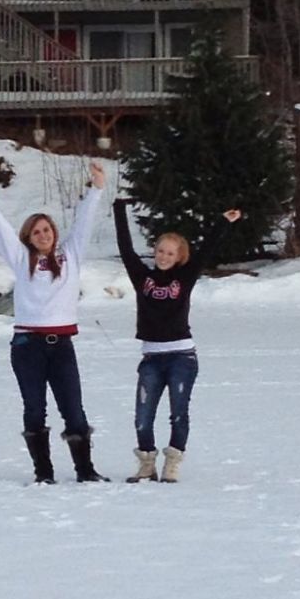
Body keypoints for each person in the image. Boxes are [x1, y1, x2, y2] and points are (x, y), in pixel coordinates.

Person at [0, 164, 109, 484]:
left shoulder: (70, 257)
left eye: (47, 229)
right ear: (28, 238)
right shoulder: (22, 261)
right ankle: (43, 473)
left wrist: (97, 188)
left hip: (61, 347)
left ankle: (85, 470)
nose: (43, 235)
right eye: (36, 232)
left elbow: (84, 222)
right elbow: (2, 232)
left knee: (73, 409)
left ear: (54, 233)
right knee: (34, 409)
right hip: (27, 346)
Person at [113, 198, 241, 483]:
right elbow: (125, 249)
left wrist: (223, 222)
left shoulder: (185, 276)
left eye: (170, 253)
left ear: (179, 256)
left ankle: (172, 463)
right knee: (142, 417)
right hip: (151, 358)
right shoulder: (142, 277)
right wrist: (119, 209)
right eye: (160, 251)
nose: (163, 256)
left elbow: (207, 250)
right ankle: (147, 463)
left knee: (178, 413)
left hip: (182, 357)